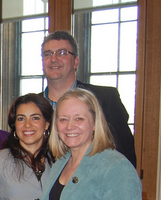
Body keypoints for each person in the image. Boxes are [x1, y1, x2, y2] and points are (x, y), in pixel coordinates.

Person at [39, 30, 136, 167]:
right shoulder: (32, 106)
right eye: (48, 54)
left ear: (76, 62)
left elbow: (125, 156)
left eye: (62, 53)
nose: (54, 59)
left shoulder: (106, 99)